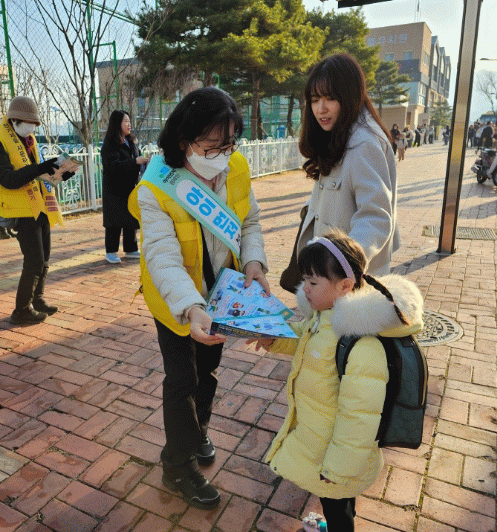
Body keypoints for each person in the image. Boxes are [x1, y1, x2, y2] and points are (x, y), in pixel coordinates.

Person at [127, 87, 269, 510]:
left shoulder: (236, 167)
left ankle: (197, 431)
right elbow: (162, 256)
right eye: (211, 146)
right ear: (184, 140)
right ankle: (177, 466)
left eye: (229, 144)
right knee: (182, 381)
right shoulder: (156, 186)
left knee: (207, 370)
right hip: (176, 302)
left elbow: (250, 221)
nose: (222, 155)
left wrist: (254, 263)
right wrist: (191, 308)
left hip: (221, 294)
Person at [248, 231, 423, 532]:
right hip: (322, 439)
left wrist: (338, 469)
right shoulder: (326, 317)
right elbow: (307, 339)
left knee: (337, 505)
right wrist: (273, 339)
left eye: (313, 282)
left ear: (345, 286)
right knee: (339, 503)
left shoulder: (362, 344)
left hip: (336, 452)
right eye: (304, 279)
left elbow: (359, 417)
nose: (305, 288)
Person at [297, 53, 399, 277]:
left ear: (349, 96)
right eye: (314, 100)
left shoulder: (363, 144)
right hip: (330, 271)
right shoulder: (341, 133)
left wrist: (341, 265)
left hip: (347, 279)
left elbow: (376, 216)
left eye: (330, 98)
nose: (320, 109)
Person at [0, 96, 73, 325]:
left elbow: (37, 173)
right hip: (20, 210)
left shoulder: (28, 140)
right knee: (34, 260)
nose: (33, 128)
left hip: (40, 206)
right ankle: (21, 310)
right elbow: (7, 179)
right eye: (29, 123)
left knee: (44, 259)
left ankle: (38, 299)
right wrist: (38, 168)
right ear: (15, 120)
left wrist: (59, 173)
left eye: (35, 124)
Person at [100, 110, 149, 264]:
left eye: (129, 121)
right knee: (114, 221)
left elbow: (136, 159)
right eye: (126, 121)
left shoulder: (131, 142)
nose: (129, 124)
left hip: (129, 187)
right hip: (114, 189)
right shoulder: (110, 145)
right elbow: (113, 166)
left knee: (131, 217)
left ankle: (131, 248)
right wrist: (135, 162)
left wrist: (143, 162)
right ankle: (111, 251)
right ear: (117, 124)